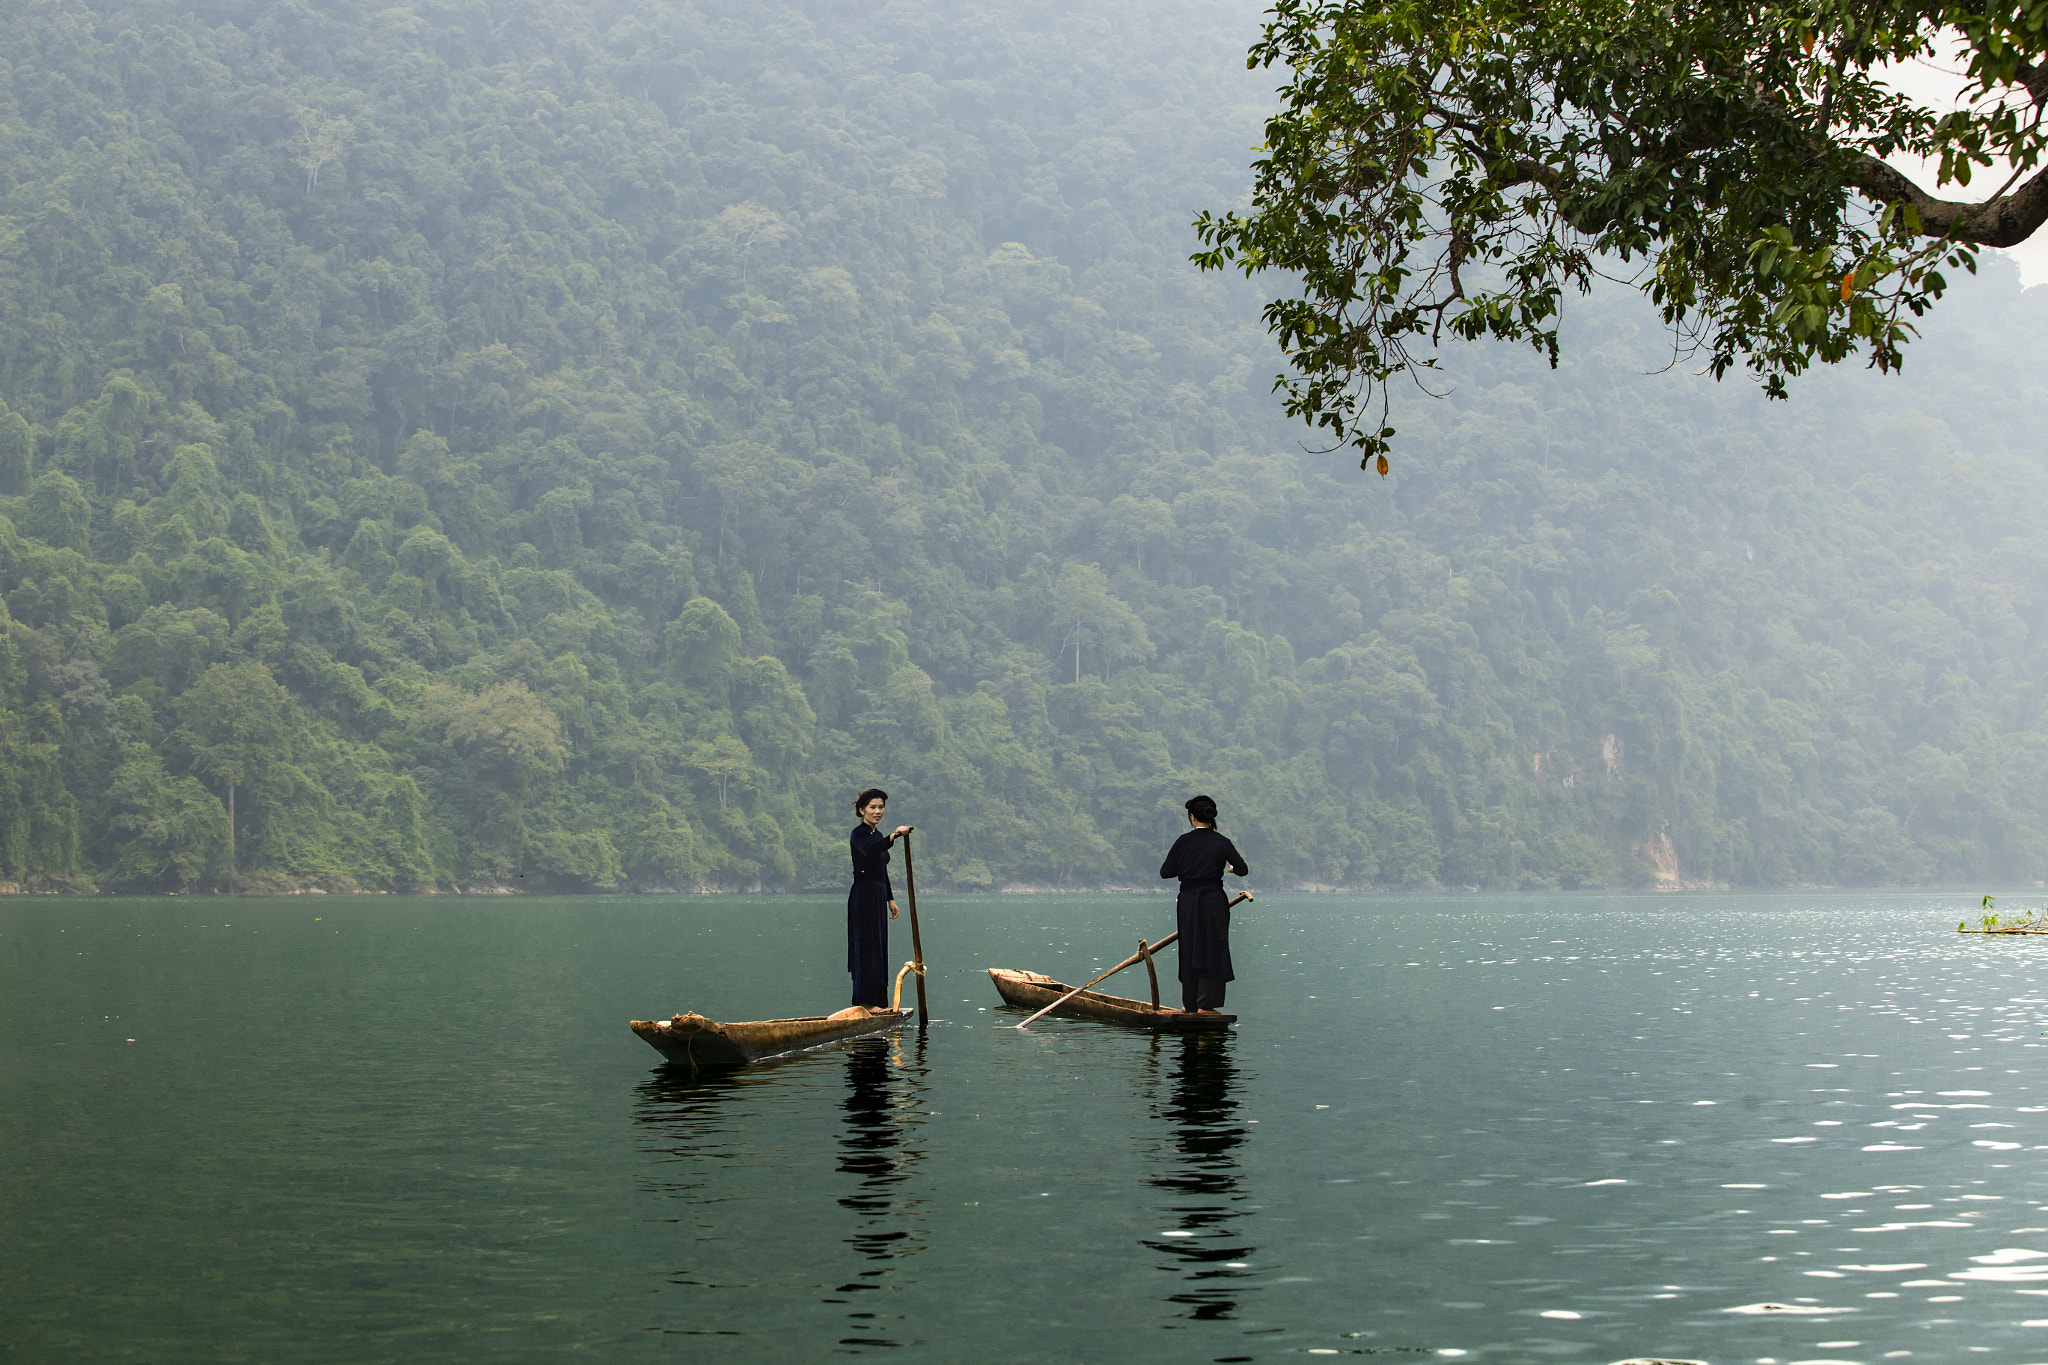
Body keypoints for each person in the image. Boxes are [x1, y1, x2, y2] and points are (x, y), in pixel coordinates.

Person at [1158, 794, 1249, 1014]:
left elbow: (1166, 872)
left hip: (1188, 902)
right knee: (1213, 947)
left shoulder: (1183, 841)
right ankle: (1205, 1006)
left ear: (1192, 817)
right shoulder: (1222, 842)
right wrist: (1231, 869)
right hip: (1213, 901)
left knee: (1189, 947)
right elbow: (1242, 869)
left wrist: (1189, 867)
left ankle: (1189, 1005)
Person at [847, 788, 912, 1014]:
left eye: (881, 807)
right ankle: (865, 1002)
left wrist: (890, 900)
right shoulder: (859, 835)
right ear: (861, 810)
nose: (877, 811)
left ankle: (877, 1002)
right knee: (865, 946)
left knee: (878, 947)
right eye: (872, 807)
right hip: (863, 897)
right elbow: (870, 851)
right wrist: (894, 836)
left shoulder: (878, 835)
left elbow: (882, 871)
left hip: (878, 895)